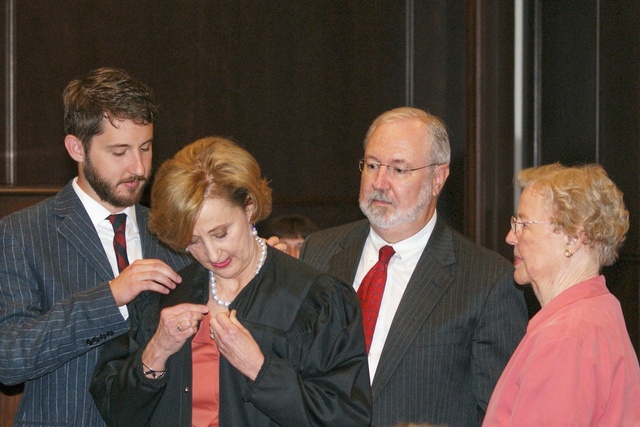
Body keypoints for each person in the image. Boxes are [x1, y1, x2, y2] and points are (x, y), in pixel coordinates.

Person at [90, 136, 372, 426]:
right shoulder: (165, 295)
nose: (212, 254)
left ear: (248, 206)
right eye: (193, 241)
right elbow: (117, 412)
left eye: (221, 233)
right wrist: (157, 351)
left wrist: (261, 369)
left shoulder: (315, 299)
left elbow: (346, 419)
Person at [299, 106, 528, 427]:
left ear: (438, 178)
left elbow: (499, 413)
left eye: (398, 169)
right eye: (372, 165)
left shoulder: (487, 280)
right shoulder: (319, 252)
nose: (379, 182)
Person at [0, 67, 190, 426]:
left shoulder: (174, 234)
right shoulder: (21, 235)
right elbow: (10, 359)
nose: (139, 167)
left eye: (146, 148)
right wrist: (110, 297)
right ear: (76, 148)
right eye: (119, 152)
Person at [483, 163, 640, 425]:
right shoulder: (600, 309)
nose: (511, 236)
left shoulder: (565, 338)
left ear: (572, 238)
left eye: (524, 223)